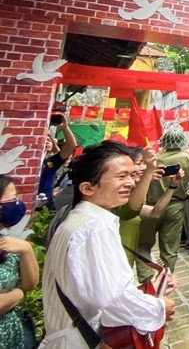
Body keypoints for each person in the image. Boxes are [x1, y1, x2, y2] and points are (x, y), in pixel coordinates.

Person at [41, 142, 176, 348]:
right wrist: (158, 307)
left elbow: (95, 287)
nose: (131, 183)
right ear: (87, 187)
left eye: (132, 175)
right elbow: (113, 299)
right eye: (121, 177)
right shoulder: (96, 226)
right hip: (81, 338)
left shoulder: (80, 218)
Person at [137, 127, 189, 282]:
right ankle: (165, 281)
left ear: (164, 141)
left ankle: (146, 280)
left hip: (149, 206)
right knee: (170, 249)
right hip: (176, 206)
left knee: (143, 246)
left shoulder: (154, 160)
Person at [0, 175, 39, 349]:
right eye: (12, 199)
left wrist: (26, 250)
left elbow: (30, 283)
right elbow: (23, 290)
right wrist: (18, 294)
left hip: (11, 337)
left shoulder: (6, 241)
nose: (17, 204)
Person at [38, 115, 77, 209]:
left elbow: (71, 146)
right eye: (43, 139)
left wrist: (64, 127)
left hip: (45, 209)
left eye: (48, 140)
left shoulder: (50, 163)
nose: (46, 142)